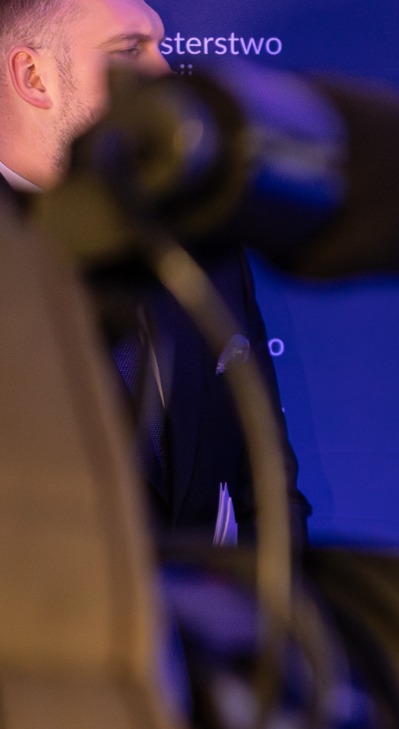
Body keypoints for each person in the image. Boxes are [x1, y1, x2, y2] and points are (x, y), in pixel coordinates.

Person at [0, 0, 309, 544]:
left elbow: (268, 488)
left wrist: (267, 595)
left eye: (160, 47)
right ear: (33, 77)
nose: (165, 72)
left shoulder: (204, 246)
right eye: (129, 51)